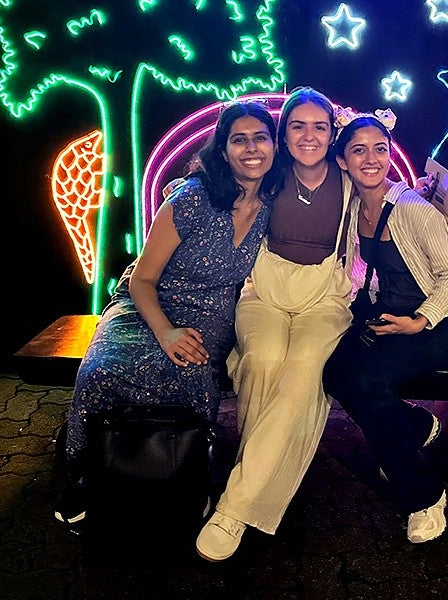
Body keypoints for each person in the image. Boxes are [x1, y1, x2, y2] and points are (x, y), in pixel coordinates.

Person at [54, 100, 284, 524]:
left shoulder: (276, 200)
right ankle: (85, 473)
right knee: (101, 371)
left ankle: (184, 473)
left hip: (211, 315)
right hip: (147, 306)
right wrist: (165, 332)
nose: (251, 149)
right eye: (239, 140)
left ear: (274, 145)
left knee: (194, 377)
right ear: (223, 149)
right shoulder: (194, 197)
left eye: (260, 138)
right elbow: (143, 279)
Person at [195, 87, 355, 561]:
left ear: (333, 133)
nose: (309, 135)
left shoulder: (348, 178)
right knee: (262, 360)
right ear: (283, 134)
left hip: (323, 294)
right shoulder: (267, 174)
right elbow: (211, 184)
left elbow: (399, 203)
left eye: (320, 126)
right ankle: (262, 473)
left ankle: (235, 506)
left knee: (304, 369)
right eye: (298, 126)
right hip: (263, 287)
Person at [321, 109, 448, 544]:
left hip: (443, 321)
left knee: (365, 381)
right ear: (342, 160)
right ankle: (413, 429)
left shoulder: (414, 209)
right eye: (358, 150)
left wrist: (421, 320)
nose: (371, 159)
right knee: (333, 373)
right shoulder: (353, 207)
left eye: (380, 149)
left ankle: (423, 493)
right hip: (394, 316)